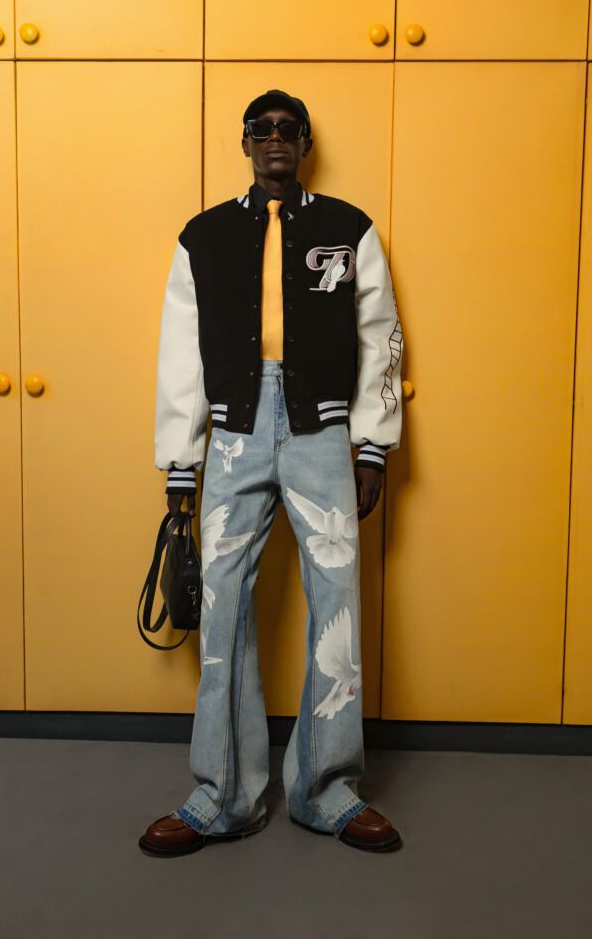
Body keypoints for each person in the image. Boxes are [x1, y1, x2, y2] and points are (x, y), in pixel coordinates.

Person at [139, 89, 404, 858]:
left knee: (336, 605)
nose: (276, 139)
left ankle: (328, 791)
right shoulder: (205, 235)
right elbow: (180, 352)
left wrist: (371, 445)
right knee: (222, 608)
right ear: (246, 143)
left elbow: (380, 336)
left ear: (306, 143)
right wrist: (181, 463)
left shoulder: (348, 228)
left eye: (289, 130)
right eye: (262, 130)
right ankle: (222, 796)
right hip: (234, 431)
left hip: (321, 428)